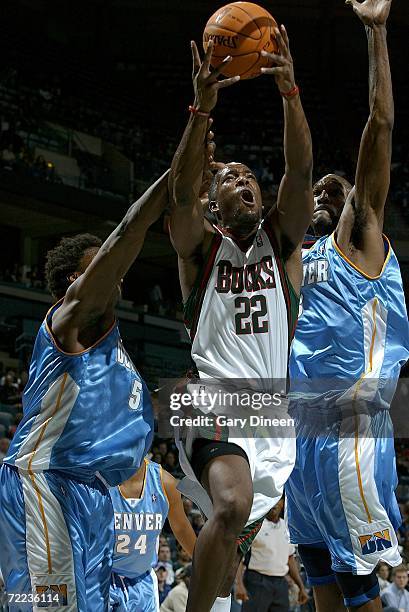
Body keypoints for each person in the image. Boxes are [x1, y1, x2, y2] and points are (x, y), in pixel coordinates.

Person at [169, 27, 313, 612]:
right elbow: (179, 197)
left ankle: (200, 596)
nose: (244, 182)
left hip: (273, 416)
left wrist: (291, 93)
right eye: (229, 179)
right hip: (212, 399)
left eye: (249, 176)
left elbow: (299, 175)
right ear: (214, 203)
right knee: (229, 509)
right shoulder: (201, 251)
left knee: (231, 543)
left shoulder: (282, 245)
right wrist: (202, 107)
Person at [286, 1, 409, 611]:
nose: (326, 192)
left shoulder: (357, 241)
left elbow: (380, 125)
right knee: (323, 587)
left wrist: (376, 33)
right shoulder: (295, 262)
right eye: (317, 190)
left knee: (362, 588)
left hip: (350, 428)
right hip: (299, 441)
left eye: (338, 188)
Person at [0, 171, 169, 610]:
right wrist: (172, 181)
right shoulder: (68, 321)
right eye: (102, 265)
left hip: (91, 491)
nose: (116, 275)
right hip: (47, 480)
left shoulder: (113, 349)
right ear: (78, 278)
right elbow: (129, 232)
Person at [109, 457, 196, 611]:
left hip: (142, 582)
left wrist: (208, 568)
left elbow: (182, 528)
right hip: (102, 579)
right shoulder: (98, 477)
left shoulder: (165, 482)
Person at [235, 498, 308, 612]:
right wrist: (238, 584)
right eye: (272, 500)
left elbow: (290, 559)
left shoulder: (287, 527)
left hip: (281, 584)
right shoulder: (254, 525)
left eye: (278, 500)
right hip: (257, 581)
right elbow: (239, 558)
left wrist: (301, 586)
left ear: (283, 503)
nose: (274, 504)